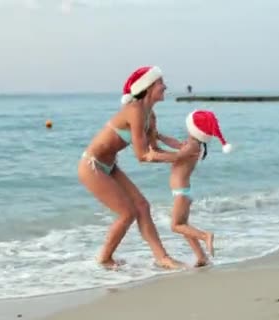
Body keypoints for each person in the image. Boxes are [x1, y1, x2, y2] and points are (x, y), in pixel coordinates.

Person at [77, 66, 199, 270]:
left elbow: (154, 149)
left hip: (110, 166)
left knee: (142, 206)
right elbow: (142, 156)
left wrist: (182, 152)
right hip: (92, 165)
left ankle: (162, 258)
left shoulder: (150, 116)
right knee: (127, 213)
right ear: (148, 87)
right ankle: (104, 259)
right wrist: (179, 156)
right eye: (161, 83)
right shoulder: (134, 111)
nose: (165, 86)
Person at [169, 109, 233, 267]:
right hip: (184, 191)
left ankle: (205, 236)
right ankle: (201, 257)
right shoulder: (193, 144)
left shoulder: (191, 146)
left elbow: (175, 156)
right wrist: (158, 136)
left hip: (181, 193)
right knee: (185, 226)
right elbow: (176, 145)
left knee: (176, 226)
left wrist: (152, 156)